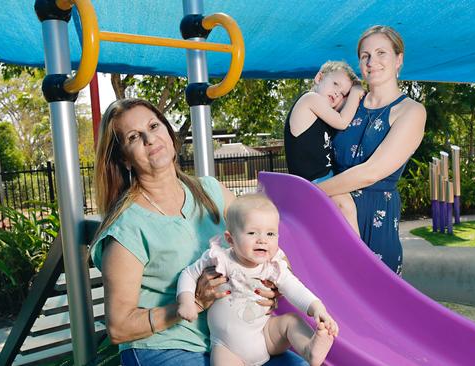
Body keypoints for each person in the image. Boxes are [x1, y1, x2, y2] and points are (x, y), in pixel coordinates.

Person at [89, 98, 308, 365]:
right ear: (123, 158)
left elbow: (265, 240)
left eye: (154, 126)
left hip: (233, 339)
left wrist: (272, 285)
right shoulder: (126, 229)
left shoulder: (211, 192)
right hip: (165, 347)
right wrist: (191, 303)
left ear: (169, 134)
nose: (149, 139)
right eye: (134, 137)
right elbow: (119, 328)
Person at [176, 193, 338, 366]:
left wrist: (317, 309)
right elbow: (188, 273)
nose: (262, 240)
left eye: (270, 234)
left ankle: (309, 349)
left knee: (291, 321)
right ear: (230, 239)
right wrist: (186, 302)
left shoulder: (272, 266)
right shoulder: (220, 259)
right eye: (252, 233)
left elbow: (295, 288)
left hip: (265, 336)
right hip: (227, 348)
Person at [319, 26, 426, 275]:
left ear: (399, 59)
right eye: (365, 55)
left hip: (376, 223)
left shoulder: (411, 111)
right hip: (332, 216)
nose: (372, 61)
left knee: (372, 303)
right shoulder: (347, 104)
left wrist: (309, 193)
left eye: (381, 53)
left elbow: (371, 172)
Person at [284, 60, 364, 236]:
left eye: (343, 93)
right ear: (319, 77)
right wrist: (356, 93)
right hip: (311, 182)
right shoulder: (309, 99)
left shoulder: (324, 114)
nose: (337, 93)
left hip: (323, 180)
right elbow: (343, 122)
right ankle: (359, 257)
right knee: (346, 205)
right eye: (335, 84)